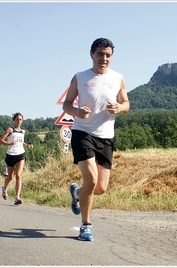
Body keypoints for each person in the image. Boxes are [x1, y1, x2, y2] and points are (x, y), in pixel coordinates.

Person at [62, 37, 130, 241]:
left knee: (100, 188)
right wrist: (76, 111)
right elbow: (66, 105)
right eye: (100, 54)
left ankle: (77, 194)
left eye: (108, 55)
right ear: (91, 54)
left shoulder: (118, 78)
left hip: (106, 137)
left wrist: (120, 108)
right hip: (82, 132)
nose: (104, 58)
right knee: (90, 180)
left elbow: (126, 103)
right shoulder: (79, 77)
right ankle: (86, 225)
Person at [0, 112, 33, 205]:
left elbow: (21, 142)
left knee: (18, 175)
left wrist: (27, 145)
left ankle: (17, 197)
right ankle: (4, 188)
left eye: (21, 119)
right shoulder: (10, 130)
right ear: (14, 120)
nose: (19, 121)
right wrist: (10, 144)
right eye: (17, 119)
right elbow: (0, 141)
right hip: (10, 154)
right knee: (10, 176)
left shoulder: (23, 131)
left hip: (21, 154)